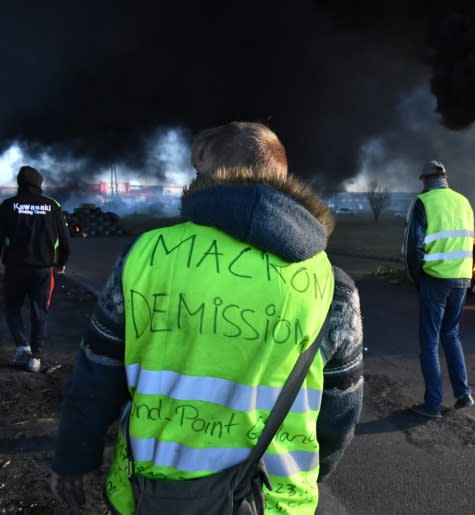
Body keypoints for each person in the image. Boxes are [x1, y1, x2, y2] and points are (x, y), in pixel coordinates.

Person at [49, 122, 364, 514]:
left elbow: (97, 373)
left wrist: (73, 460)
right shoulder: (332, 284)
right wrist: (310, 476)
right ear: (282, 177)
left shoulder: (147, 255)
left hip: (150, 494)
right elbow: (340, 409)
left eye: (197, 171)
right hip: (273, 501)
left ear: (214, 175)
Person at [403, 160, 475, 419]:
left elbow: (413, 248)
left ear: (425, 179)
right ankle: (463, 394)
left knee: (430, 342)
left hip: (435, 279)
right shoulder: (464, 202)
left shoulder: (424, 202)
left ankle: (432, 405)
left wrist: (417, 278)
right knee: (452, 335)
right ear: (445, 177)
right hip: (462, 278)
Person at [0, 165, 70, 373]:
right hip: (43, 270)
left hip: (15, 268)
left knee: (12, 308)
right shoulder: (52, 205)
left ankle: (22, 347)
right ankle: (35, 358)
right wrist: (61, 261)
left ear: (20, 184)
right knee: (40, 312)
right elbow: (64, 239)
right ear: (39, 184)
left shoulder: (8, 205)